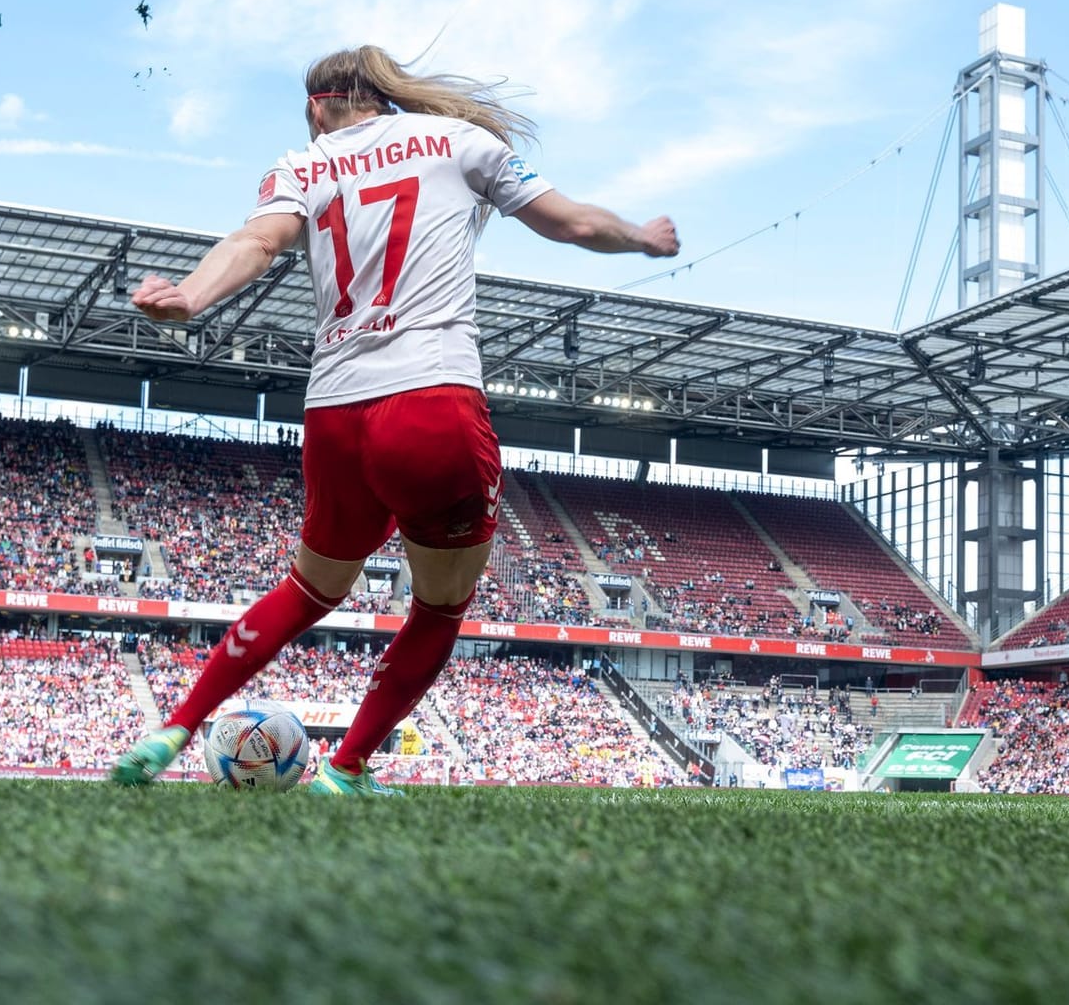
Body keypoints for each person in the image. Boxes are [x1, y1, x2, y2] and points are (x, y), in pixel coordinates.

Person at [110, 45, 678, 794]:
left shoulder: (299, 167)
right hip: (431, 400)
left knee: (309, 589)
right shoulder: (457, 140)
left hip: (335, 412)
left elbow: (255, 242)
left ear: (319, 107)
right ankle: (344, 769)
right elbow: (571, 223)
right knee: (439, 606)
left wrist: (188, 295)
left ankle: (176, 724)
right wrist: (641, 235)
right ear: (377, 94)